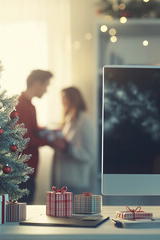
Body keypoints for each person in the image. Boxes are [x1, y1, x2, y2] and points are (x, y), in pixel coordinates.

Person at [15, 69, 65, 204]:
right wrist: (51, 142)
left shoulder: (29, 105)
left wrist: (51, 131)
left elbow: (33, 130)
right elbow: (25, 138)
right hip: (23, 169)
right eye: (46, 85)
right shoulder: (21, 106)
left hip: (29, 168)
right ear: (37, 84)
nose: (46, 90)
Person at [52, 87, 97, 194]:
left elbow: (90, 154)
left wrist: (67, 148)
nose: (62, 101)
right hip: (63, 182)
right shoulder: (68, 120)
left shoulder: (84, 120)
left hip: (76, 183)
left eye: (65, 98)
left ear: (74, 99)